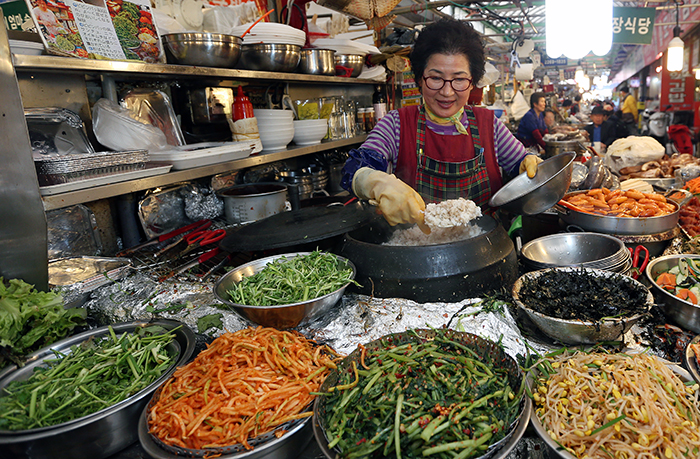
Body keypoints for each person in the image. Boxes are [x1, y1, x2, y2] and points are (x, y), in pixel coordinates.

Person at [340, 18, 539, 233]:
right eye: (435, 78)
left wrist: (527, 163)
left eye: (459, 79)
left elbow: (521, 166)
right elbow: (354, 169)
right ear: (419, 79)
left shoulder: (490, 125)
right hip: (417, 250)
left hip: (485, 249)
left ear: (472, 82)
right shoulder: (396, 124)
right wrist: (373, 181)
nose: (446, 91)